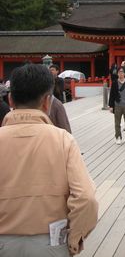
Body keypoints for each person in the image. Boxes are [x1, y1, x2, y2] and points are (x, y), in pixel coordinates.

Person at [0, 64, 98, 256]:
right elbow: (86, 198)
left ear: (10, 100)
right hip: (51, 243)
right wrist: (74, 238)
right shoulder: (63, 140)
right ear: (47, 102)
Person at [108, 66, 125, 145]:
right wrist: (111, 106)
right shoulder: (114, 83)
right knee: (117, 123)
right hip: (117, 105)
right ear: (117, 73)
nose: (121, 73)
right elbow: (112, 95)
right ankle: (118, 137)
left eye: (122, 72)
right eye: (119, 72)